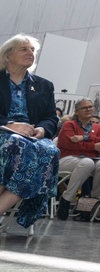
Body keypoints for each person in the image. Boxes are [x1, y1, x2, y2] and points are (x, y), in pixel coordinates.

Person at [0, 34, 61, 229]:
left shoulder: (44, 85)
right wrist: (10, 125)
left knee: (50, 151)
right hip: (4, 131)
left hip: (30, 137)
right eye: (24, 49)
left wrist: (42, 129)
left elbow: (52, 117)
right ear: (8, 55)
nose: (30, 53)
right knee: (17, 145)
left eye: (33, 50)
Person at [56, 98, 100, 220]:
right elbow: (68, 144)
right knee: (87, 163)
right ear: (77, 111)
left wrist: (83, 138)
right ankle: (67, 199)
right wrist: (92, 144)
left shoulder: (99, 128)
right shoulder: (69, 125)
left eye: (90, 107)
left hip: (92, 158)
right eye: (84, 108)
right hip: (68, 158)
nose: (88, 110)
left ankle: (90, 203)